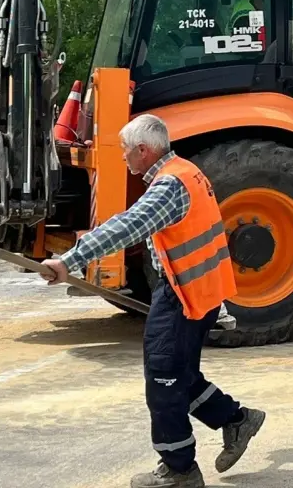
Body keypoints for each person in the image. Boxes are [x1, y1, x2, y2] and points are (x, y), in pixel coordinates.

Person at [39, 114, 265, 488]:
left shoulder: (169, 186)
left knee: (163, 378)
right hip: (200, 292)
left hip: (182, 295)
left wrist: (69, 261)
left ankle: (180, 469)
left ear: (143, 150)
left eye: (125, 150)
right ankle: (237, 420)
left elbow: (127, 226)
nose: (123, 157)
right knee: (180, 374)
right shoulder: (187, 171)